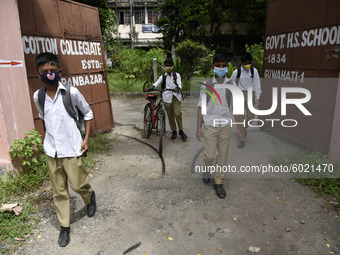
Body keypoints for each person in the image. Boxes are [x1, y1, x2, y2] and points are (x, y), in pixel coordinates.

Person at [33, 52, 96, 247]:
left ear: (59, 71)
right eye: (45, 72)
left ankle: (89, 196)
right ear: (39, 75)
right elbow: (44, 120)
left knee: (78, 185)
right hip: (52, 152)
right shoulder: (38, 96)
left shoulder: (72, 93)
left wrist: (85, 139)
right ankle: (64, 226)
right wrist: (47, 141)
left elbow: (88, 113)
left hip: (72, 148)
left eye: (53, 71)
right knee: (59, 191)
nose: (49, 74)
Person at [196, 52, 241, 198]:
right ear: (213, 67)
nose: (221, 68)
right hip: (210, 124)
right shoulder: (207, 84)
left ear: (228, 67)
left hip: (226, 124)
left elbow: (236, 107)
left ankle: (219, 182)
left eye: (223, 66)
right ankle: (207, 168)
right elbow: (201, 107)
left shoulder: (232, 85)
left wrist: (239, 127)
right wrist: (198, 127)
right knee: (209, 155)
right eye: (218, 66)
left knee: (223, 154)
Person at [144, 58, 187, 141]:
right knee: (170, 116)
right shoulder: (163, 76)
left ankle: (181, 131)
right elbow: (156, 84)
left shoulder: (176, 75)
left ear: (172, 66)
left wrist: (177, 88)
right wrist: (149, 88)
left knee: (177, 113)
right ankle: (174, 131)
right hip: (166, 97)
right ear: (164, 67)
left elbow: (180, 85)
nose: (168, 67)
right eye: (166, 66)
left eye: (170, 65)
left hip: (175, 97)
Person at [230, 52, 261, 149]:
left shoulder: (253, 71)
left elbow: (257, 84)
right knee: (241, 117)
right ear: (242, 63)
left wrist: (257, 98)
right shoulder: (237, 72)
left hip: (250, 94)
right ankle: (242, 139)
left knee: (251, 116)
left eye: (249, 62)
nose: (248, 64)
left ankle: (243, 128)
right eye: (246, 63)